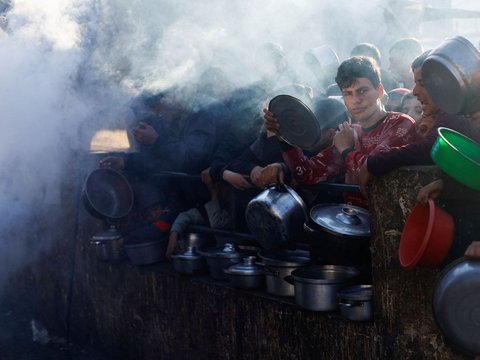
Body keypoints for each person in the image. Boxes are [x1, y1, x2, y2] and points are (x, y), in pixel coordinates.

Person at [263, 56, 418, 208]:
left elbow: (372, 175)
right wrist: (283, 136)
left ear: (379, 90)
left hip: (391, 225)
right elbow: (309, 175)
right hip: (352, 223)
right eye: (348, 93)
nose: (356, 100)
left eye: (362, 91)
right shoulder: (351, 133)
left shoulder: (400, 124)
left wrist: (346, 150)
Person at [358, 50, 480, 198]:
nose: (415, 91)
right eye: (415, 83)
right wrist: (446, 184)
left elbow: (433, 147)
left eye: (422, 83)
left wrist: (374, 163)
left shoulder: (459, 113)